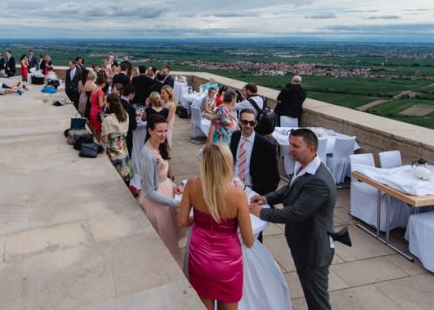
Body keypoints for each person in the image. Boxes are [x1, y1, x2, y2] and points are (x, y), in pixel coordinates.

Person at [249, 129, 337, 310]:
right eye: (290, 144)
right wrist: (266, 199)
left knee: (317, 300)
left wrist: (261, 212)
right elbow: (289, 189)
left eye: (295, 145)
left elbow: (295, 213)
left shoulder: (319, 181)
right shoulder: (303, 165)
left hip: (314, 249)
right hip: (302, 243)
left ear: (312, 149)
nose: (290, 149)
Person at [178, 143, 254, 310]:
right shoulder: (238, 195)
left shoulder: (192, 184)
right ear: (228, 163)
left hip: (199, 257)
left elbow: (182, 221)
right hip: (228, 263)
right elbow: (249, 242)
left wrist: (197, 220)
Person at [138, 115, 184, 263]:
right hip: (156, 201)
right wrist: (176, 203)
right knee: (165, 236)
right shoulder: (148, 155)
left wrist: (174, 186)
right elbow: (150, 191)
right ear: (150, 130)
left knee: (171, 232)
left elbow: (162, 175)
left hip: (167, 189)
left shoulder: (159, 145)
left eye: (165, 130)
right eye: (159, 131)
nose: (163, 134)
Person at [229, 109, 280, 196]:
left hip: (252, 191)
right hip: (233, 185)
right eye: (245, 122)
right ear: (239, 121)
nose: (248, 125)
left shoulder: (267, 146)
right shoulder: (235, 136)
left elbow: (274, 178)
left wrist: (260, 196)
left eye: (251, 123)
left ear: (255, 123)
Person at [102, 93, 133, 185]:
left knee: (115, 175)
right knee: (125, 172)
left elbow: (104, 140)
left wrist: (104, 122)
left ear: (108, 104)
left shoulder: (108, 120)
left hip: (113, 149)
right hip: (123, 146)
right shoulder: (125, 114)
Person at [120, 84, 138, 157]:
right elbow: (133, 126)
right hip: (126, 136)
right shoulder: (130, 108)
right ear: (130, 94)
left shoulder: (115, 101)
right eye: (133, 95)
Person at [89, 75, 107, 143]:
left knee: (93, 129)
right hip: (98, 113)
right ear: (103, 83)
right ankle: (96, 146)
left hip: (92, 110)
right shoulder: (100, 92)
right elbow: (101, 104)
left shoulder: (93, 89)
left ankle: (91, 143)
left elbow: (90, 101)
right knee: (98, 131)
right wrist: (106, 100)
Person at [160, 85, 177, 149]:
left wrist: (162, 126)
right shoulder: (162, 102)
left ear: (169, 94)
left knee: (167, 141)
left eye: (163, 93)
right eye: (161, 93)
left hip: (167, 125)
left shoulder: (171, 105)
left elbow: (168, 119)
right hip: (162, 123)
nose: (161, 94)